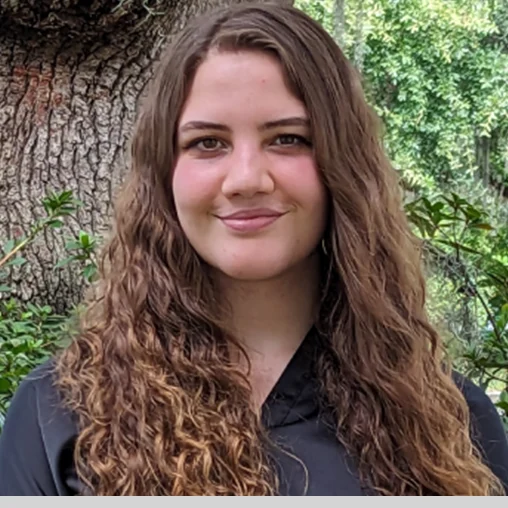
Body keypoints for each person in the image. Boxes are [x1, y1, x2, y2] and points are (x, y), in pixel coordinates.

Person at [0, 1, 507, 496]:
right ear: (164, 175)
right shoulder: (59, 417)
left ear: (344, 169)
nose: (245, 179)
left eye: (287, 139)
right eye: (207, 143)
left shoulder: (450, 426)